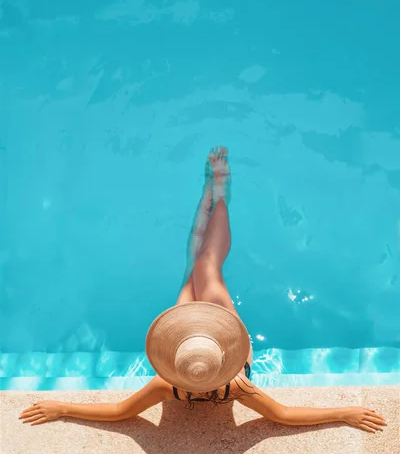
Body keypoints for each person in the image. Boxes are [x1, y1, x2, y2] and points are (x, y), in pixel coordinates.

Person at [19, 147, 387, 434]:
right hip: (224, 347)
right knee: (205, 265)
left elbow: (119, 412)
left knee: (188, 271)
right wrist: (345, 412)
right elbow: (284, 416)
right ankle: (221, 194)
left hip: (196, 354)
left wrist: (62, 408)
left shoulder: (168, 384)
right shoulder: (236, 383)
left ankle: (211, 195)